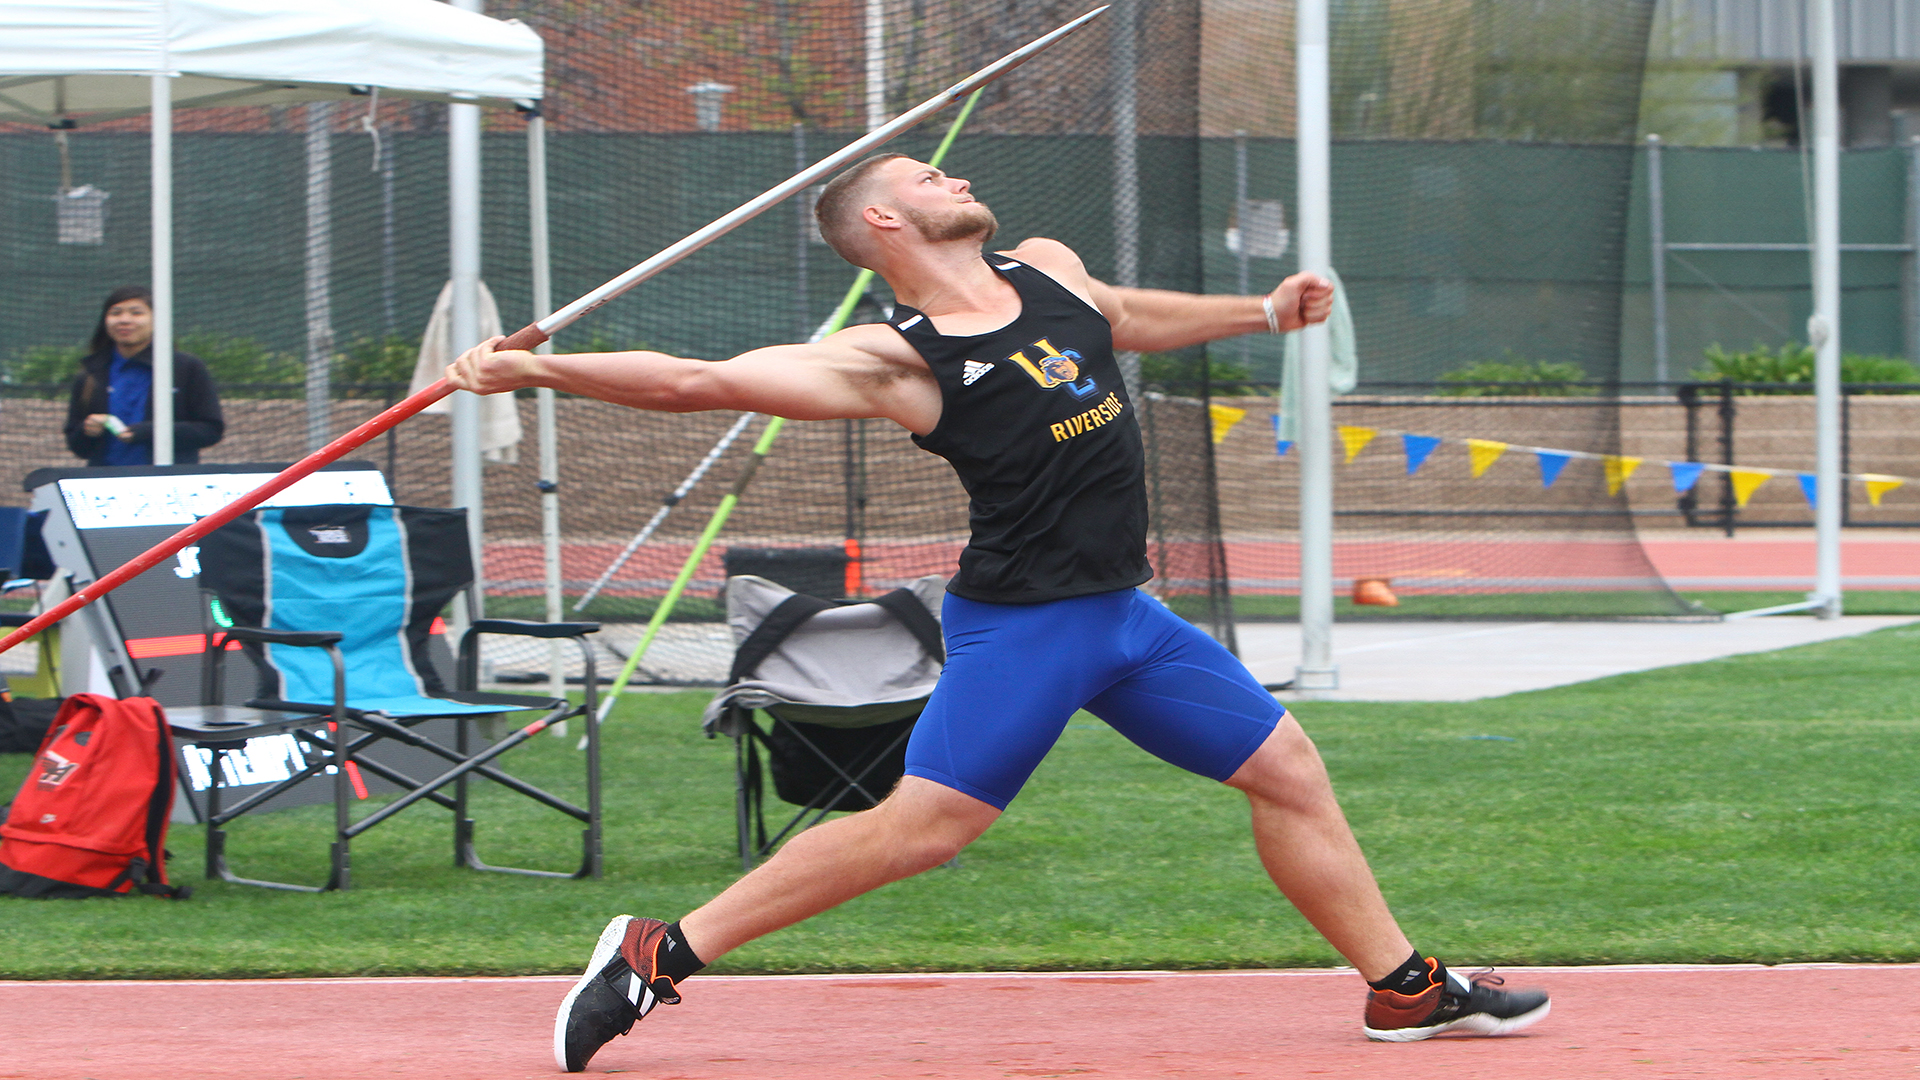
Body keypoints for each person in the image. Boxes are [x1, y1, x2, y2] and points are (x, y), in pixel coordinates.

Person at [445, 153, 1550, 1073]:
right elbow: (699, 382)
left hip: (1126, 617)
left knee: (1290, 773)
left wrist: (1260, 311)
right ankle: (657, 953)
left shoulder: (1050, 271)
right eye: (929, 174)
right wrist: (536, 375)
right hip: (1026, 625)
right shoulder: (899, 362)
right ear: (884, 219)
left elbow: (1125, 318)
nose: (956, 173)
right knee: (926, 830)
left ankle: (1403, 990)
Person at [64, 286, 225, 466]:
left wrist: (148, 432)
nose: (124, 320)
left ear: (157, 319)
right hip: (105, 484)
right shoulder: (90, 374)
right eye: (116, 313)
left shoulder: (186, 368)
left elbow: (211, 430)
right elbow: (77, 447)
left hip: (168, 482)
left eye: (136, 313)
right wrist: (88, 430)